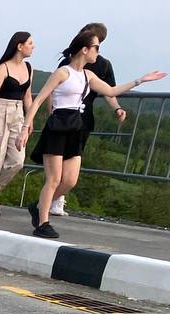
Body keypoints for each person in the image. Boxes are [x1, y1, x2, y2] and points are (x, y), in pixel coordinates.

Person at [25, 30, 164, 238]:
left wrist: (141, 80)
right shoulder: (63, 73)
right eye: (96, 47)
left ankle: (38, 207)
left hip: (75, 129)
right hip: (57, 129)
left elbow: (111, 91)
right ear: (84, 49)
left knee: (70, 180)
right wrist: (26, 126)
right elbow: (38, 99)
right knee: (53, 179)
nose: (98, 52)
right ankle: (42, 223)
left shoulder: (89, 76)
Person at [52, 22, 124, 217]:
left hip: (83, 117)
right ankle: (52, 196)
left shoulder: (103, 65)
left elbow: (109, 91)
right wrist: (51, 110)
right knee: (57, 160)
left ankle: (57, 196)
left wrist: (117, 108)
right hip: (63, 114)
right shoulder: (68, 60)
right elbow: (54, 86)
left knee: (72, 159)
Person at [0, 31, 35, 217]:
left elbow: (27, 96)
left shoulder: (28, 68)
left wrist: (30, 120)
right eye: (30, 43)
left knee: (17, 160)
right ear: (19, 46)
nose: (33, 46)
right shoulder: (3, 68)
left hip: (18, 114)